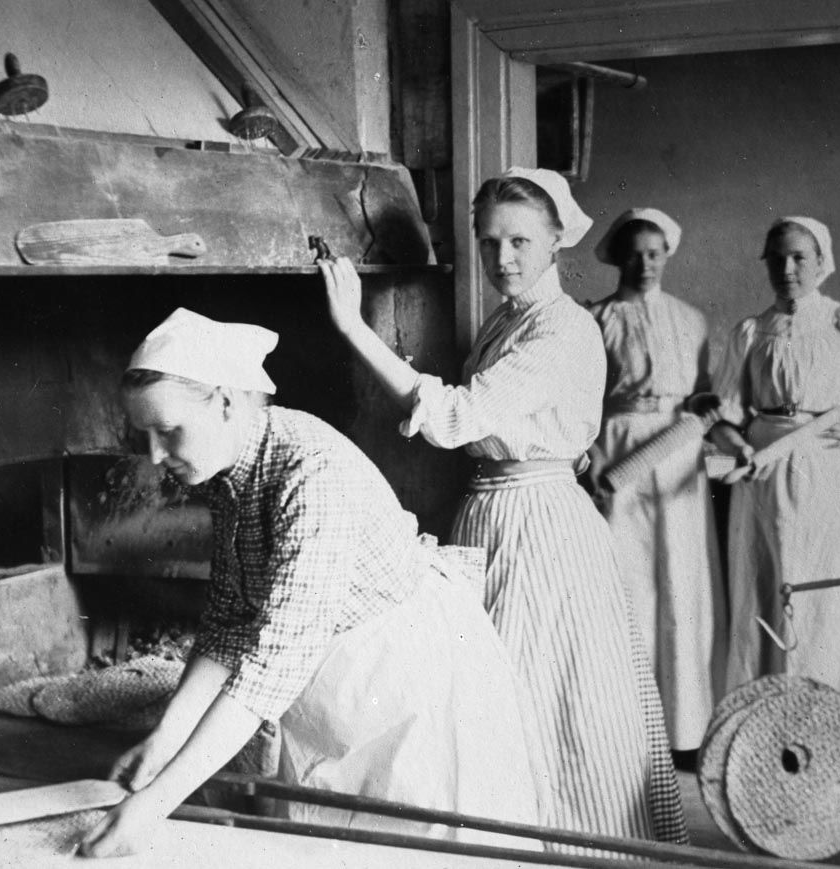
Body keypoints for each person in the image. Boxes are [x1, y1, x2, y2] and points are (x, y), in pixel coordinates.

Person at [79, 308, 544, 857]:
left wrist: (155, 803)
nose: (155, 456)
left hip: (405, 673)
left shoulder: (310, 472)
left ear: (227, 403)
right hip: (337, 673)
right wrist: (166, 737)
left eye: (168, 430)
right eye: (145, 436)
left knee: (423, 841)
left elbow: (272, 660)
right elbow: (229, 620)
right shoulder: (232, 472)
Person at [322, 168, 688, 844]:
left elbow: (460, 416)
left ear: (557, 242)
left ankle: (577, 850)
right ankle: (515, 848)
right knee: (496, 700)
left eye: (520, 240)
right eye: (489, 243)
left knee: (552, 701)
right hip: (492, 514)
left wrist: (354, 328)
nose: (503, 258)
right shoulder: (506, 322)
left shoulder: (563, 329)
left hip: (541, 525)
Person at [709, 216, 840, 704]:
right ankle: (766, 718)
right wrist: (738, 445)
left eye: (800, 256)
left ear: (822, 262)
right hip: (764, 474)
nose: (788, 267)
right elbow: (722, 414)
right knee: (768, 584)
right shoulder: (749, 332)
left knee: (828, 592)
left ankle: (839, 713)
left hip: (831, 467)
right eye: (777, 257)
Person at [586, 208, 725, 757]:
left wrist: (702, 413)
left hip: (677, 451)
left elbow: (704, 394)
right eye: (635, 252)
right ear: (618, 255)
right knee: (629, 582)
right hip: (617, 449)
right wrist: (594, 456)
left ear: (668, 255)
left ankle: (686, 731)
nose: (644, 264)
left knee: (681, 583)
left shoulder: (691, 320)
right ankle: (629, 727)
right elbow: (584, 397)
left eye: (655, 252)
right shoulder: (596, 319)